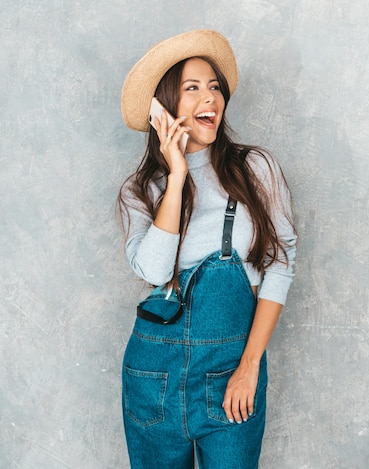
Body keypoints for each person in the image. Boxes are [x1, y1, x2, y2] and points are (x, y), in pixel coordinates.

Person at [117, 30, 297, 468]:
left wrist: (250, 365)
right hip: (152, 375)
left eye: (214, 87)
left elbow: (281, 261)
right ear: (164, 107)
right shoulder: (142, 190)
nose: (210, 99)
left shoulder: (255, 168)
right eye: (192, 88)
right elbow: (157, 271)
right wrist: (177, 177)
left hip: (231, 371)